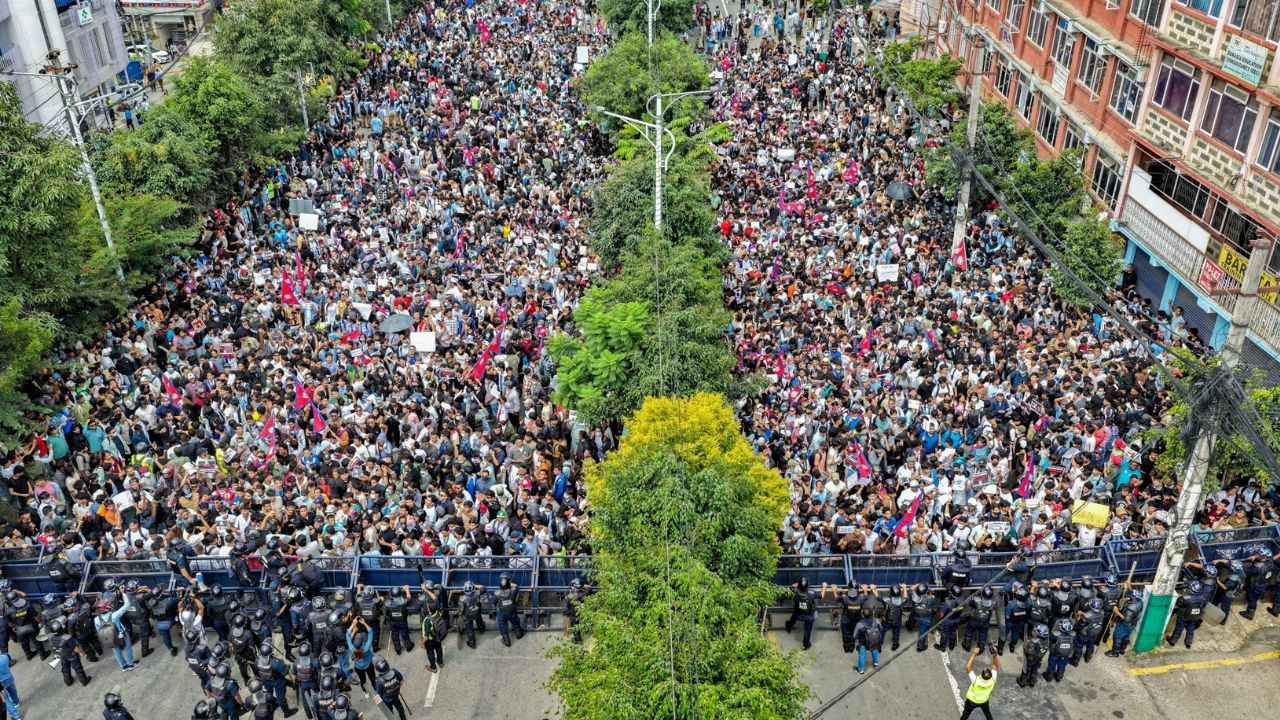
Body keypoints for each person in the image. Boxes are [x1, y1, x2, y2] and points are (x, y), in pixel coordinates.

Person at [94, 592, 135, 671]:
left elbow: (98, 630)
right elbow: (127, 605)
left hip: (110, 637)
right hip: (122, 634)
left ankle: (124, 666)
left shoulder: (96, 619)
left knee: (117, 652)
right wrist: (123, 594)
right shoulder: (114, 615)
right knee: (128, 648)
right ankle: (130, 664)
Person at [1167, 581, 1209, 649]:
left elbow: (1178, 604)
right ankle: (1188, 643)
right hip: (1194, 616)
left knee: (1179, 628)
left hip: (1184, 616)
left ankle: (1173, 641)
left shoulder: (1185, 598)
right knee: (1191, 629)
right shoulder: (1203, 598)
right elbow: (1204, 605)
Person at [960, 646, 999, 720]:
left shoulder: (976, 680)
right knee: (988, 714)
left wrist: (974, 654)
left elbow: (968, 667)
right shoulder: (993, 680)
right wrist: (995, 655)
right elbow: (995, 666)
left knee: (965, 715)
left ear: (981, 674)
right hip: (984, 701)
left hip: (972, 701)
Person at [50, 619, 92, 687]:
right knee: (78, 668)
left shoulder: (52, 638)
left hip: (62, 654)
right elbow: (75, 648)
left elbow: (53, 647)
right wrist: (82, 653)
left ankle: (68, 681)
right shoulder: (67, 637)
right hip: (71, 655)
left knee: (65, 668)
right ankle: (84, 681)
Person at [1107, 589, 1144, 657]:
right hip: (1132, 624)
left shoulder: (1131, 607)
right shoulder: (1140, 602)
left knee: (1117, 637)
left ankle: (1114, 652)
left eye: (1131, 596)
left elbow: (1126, 619)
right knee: (1126, 637)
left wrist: (1116, 611)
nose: (1129, 597)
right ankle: (1122, 650)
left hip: (1124, 624)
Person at [784, 578, 818, 650]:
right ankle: (806, 644)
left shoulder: (795, 592)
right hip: (809, 616)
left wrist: (793, 586)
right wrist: (824, 587)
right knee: (808, 629)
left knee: (794, 614)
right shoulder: (812, 593)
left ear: (798, 585)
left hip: (798, 614)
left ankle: (788, 626)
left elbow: (788, 590)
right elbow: (821, 596)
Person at [493, 573, 526, 647]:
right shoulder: (513, 590)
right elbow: (516, 586)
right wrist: (508, 581)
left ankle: (506, 641)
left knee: (502, 626)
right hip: (511, 610)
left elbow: (494, 602)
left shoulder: (497, 593)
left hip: (502, 612)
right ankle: (519, 634)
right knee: (515, 622)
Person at [371, 656, 408, 720]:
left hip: (386, 700)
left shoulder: (379, 681)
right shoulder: (394, 671)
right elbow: (401, 680)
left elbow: (378, 695)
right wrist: (396, 688)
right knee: (400, 708)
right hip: (396, 695)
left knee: (390, 712)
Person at [1017, 623, 1050, 687]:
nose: (1034, 631)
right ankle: (1032, 681)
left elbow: (1028, 651)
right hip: (1039, 659)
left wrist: (1025, 647)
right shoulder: (1046, 641)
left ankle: (1023, 682)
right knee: (1035, 670)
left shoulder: (1034, 642)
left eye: (1036, 631)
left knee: (1026, 670)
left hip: (1030, 658)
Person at [853, 608, 884, 674]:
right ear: (871, 614)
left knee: (862, 655)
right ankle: (876, 663)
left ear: (862, 615)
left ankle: (861, 670)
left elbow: (854, 635)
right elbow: (881, 629)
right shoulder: (876, 620)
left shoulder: (859, 624)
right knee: (874, 650)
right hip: (874, 640)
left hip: (863, 642)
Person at [1044, 617, 1075, 683]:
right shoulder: (1073, 635)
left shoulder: (1056, 635)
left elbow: (1051, 635)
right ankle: (1059, 676)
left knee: (1052, 663)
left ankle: (1049, 676)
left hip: (1056, 652)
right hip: (1065, 653)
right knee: (1062, 664)